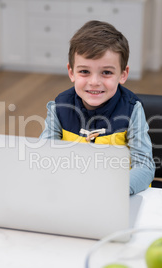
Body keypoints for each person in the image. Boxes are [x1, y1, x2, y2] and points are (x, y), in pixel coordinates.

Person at [40, 20, 155, 195]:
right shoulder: (58, 108)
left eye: (106, 72)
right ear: (71, 73)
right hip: (72, 193)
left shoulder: (132, 110)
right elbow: (43, 156)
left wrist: (111, 191)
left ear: (123, 75)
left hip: (120, 196)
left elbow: (145, 167)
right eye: (84, 71)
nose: (94, 82)